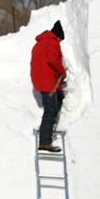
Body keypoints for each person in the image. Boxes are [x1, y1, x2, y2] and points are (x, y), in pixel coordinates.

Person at [31, 20, 67, 152]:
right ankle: (45, 142)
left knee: (52, 106)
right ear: (58, 36)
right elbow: (53, 60)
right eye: (60, 40)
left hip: (40, 81)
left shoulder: (39, 44)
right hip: (48, 83)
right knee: (50, 111)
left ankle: (45, 139)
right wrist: (63, 73)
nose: (60, 43)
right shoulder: (53, 43)